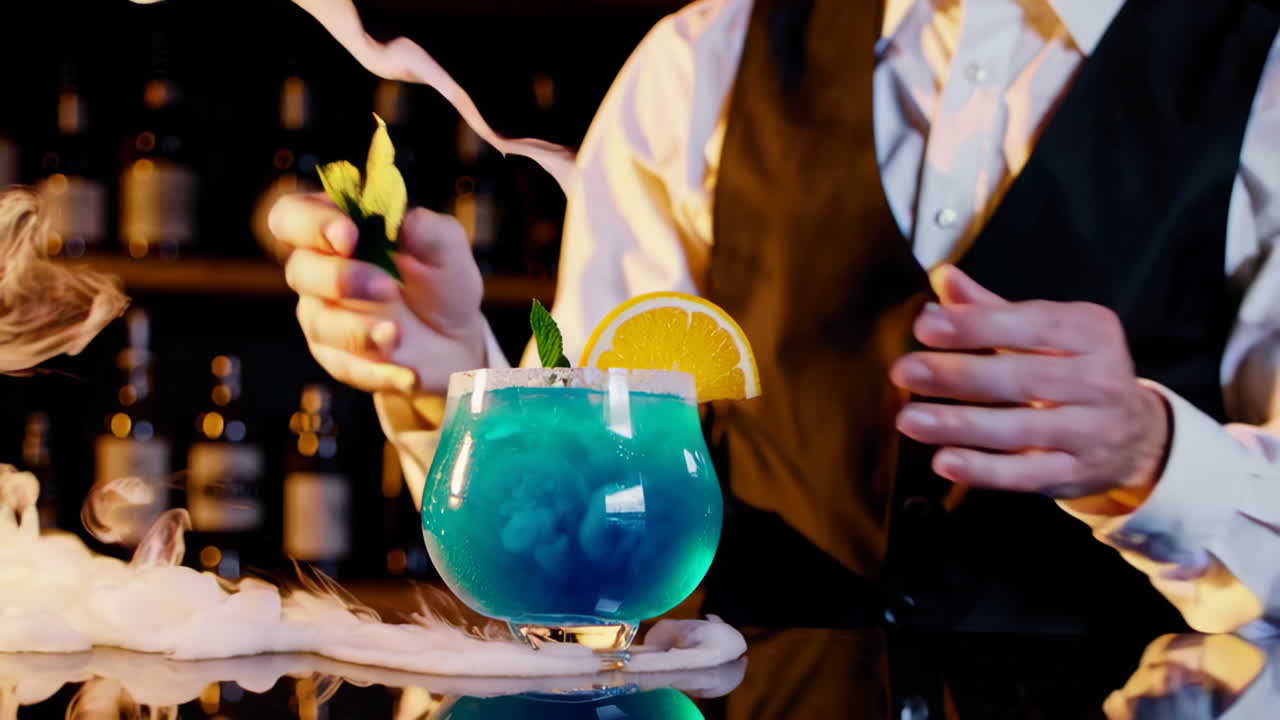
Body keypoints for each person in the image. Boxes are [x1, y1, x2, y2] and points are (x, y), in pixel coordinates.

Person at [270, 0, 1280, 634]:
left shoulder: (1260, 71)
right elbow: (584, 540)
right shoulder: (697, 59)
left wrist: (1156, 456)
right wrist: (459, 382)